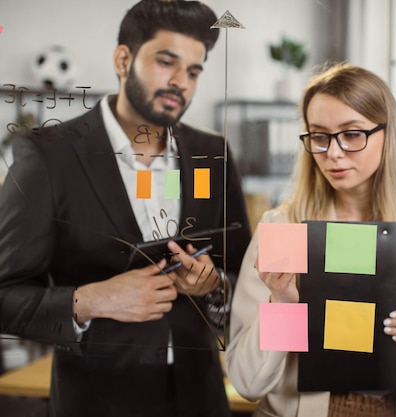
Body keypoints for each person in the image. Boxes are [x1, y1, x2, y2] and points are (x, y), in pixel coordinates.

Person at [0, 1, 251, 416]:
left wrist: (215, 287)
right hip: (97, 402)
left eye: (193, 70)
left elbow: (243, 276)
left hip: (201, 399)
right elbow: (5, 295)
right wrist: (90, 301)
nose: (180, 82)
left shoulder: (212, 155)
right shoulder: (49, 157)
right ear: (123, 59)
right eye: (166, 62)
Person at [225, 63, 396, 417]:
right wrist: (283, 304)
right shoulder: (283, 226)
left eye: (351, 134)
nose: (333, 153)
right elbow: (248, 383)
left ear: (387, 135)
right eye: (319, 136)